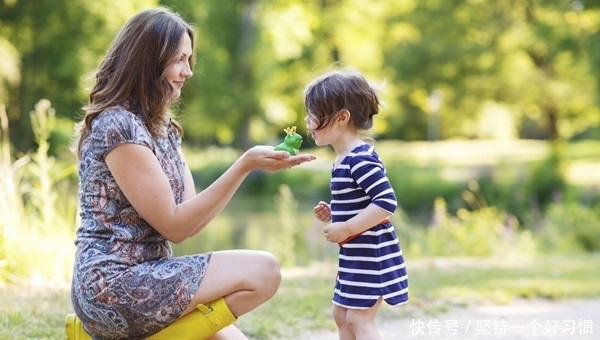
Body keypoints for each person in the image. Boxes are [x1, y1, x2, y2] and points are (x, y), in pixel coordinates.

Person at [69, 7, 315, 340]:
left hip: (153, 276)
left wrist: (249, 165)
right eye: (178, 60)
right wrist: (244, 165)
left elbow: (190, 219)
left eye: (189, 60)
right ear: (149, 62)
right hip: (113, 285)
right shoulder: (118, 127)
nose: (188, 71)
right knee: (264, 270)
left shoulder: (164, 129)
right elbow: (175, 225)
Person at [304, 68, 408, 340]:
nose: (307, 120)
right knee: (341, 315)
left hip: (370, 255)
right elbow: (360, 201)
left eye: (314, 114)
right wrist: (334, 214)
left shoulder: (359, 160)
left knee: (359, 318)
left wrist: (347, 228)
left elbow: (386, 202)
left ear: (341, 118)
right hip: (355, 255)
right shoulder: (343, 160)